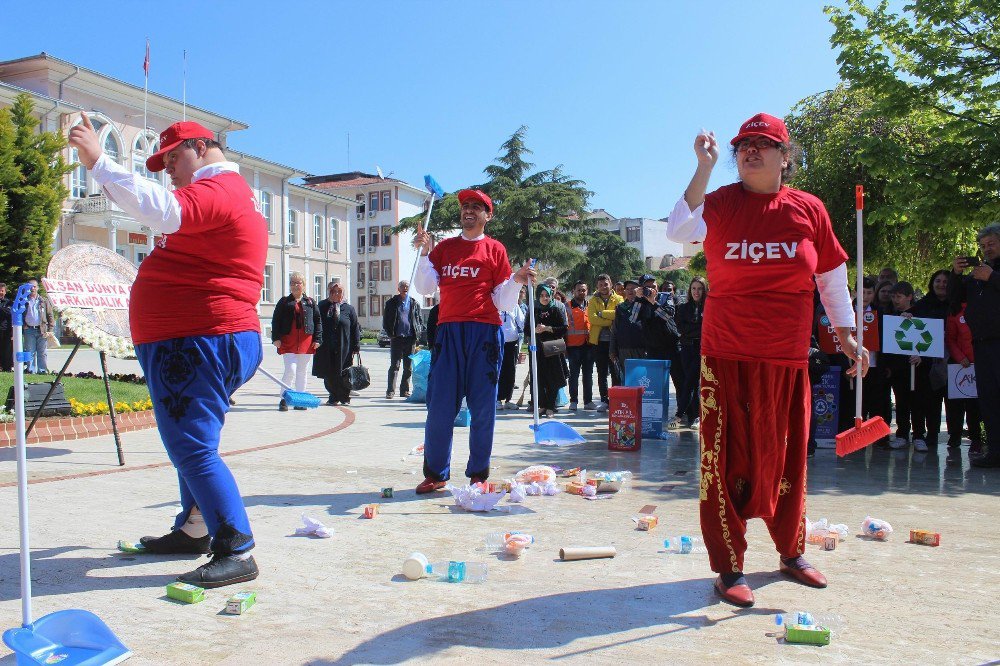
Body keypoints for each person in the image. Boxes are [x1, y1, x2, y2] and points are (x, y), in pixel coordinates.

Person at [667, 113, 865, 607]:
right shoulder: (719, 202)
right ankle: (729, 565)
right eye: (743, 146)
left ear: (785, 155)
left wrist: (847, 336)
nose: (751, 151)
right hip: (725, 354)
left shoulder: (808, 208)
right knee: (723, 461)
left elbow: (832, 279)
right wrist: (704, 167)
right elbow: (678, 231)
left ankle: (791, 552)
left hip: (785, 355)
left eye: (763, 143)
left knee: (786, 459)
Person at [69, 114, 266, 587]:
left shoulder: (219, 189)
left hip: (198, 336)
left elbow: (161, 208)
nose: (169, 171)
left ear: (199, 148)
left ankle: (236, 546)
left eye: (172, 158)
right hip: (197, 335)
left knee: (191, 444)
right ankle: (195, 528)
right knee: (191, 441)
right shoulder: (224, 195)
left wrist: (99, 162)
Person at [411, 188, 534, 493]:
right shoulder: (445, 249)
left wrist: (516, 280)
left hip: (484, 334)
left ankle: (478, 474)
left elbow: (503, 303)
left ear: (487, 215)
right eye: (465, 206)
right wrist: (424, 253)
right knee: (440, 407)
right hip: (448, 332)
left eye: (476, 207)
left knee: (483, 409)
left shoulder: (494, 250)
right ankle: (436, 473)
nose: (468, 210)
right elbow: (425, 287)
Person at [950, 224, 1000, 467]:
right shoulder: (977, 274)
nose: (986, 249)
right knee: (989, 400)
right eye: (982, 246)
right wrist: (957, 275)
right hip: (982, 344)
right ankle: (995, 452)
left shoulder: (990, 273)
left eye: (991, 244)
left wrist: (992, 277)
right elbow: (953, 302)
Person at [909, 269, 952, 450]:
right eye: (938, 281)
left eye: (945, 282)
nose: (941, 284)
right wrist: (907, 316)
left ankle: (954, 436)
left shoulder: (957, 303)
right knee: (930, 400)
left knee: (953, 402)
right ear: (932, 283)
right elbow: (911, 319)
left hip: (953, 359)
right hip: (926, 360)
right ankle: (930, 435)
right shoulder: (924, 304)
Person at [636, 273, 685, 427]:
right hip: (653, 348)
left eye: (653, 285)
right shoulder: (640, 300)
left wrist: (654, 302)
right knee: (654, 384)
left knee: (680, 381)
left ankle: (683, 412)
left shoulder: (665, 297)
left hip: (671, 345)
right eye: (647, 286)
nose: (651, 288)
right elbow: (632, 318)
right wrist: (638, 299)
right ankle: (655, 415)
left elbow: (668, 315)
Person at [271, 272, 322, 411]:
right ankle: (284, 399)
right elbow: (275, 321)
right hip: (288, 342)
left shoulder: (310, 302)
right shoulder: (284, 302)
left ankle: (300, 400)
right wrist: (275, 338)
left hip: (306, 342)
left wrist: (318, 339)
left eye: (298, 282)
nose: (295, 285)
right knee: (290, 370)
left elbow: (318, 321)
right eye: (292, 283)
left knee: (302, 371)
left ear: (303, 285)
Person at [885, 281, 923, 450]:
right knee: (901, 402)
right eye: (893, 297)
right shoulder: (889, 313)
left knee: (918, 402)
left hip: (917, 368)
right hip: (897, 368)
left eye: (899, 297)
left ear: (909, 297)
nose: (895, 300)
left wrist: (921, 356)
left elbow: (928, 338)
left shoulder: (921, 313)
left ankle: (919, 435)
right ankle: (901, 434)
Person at [944, 301, 983, 454]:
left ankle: (976, 438)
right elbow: (951, 338)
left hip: (981, 363)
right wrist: (960, 357)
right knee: (955, 404)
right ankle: (954, 435)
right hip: (960, 365)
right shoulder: (955, 311)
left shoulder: (985, 306)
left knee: (975, 406)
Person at [313, 281, 360, 406]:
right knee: (329, 373)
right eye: (334, 291)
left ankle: (345, 397)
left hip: (345, 346)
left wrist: (356, 346)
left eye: (339, 291)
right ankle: (333, 396)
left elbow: (355, 328)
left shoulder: (348, 308)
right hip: (327, 346)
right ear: (329, 292)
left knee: (344, 372)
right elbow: (316, 324)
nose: (337, 294)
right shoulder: (322, 306)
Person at [529, 284, 568, 417]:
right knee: (539, 377)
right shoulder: (534, 310)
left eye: (547, 295)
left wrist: (547, 328)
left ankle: (551, 406)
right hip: (537, 348)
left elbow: (564, 328)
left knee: (554, 377)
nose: (545, 298)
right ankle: (543, 405)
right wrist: (535, 330)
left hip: (552, 346)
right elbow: (526, 329)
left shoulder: (556, 309)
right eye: (541, 296)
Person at [587, 273, 623, 412]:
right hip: (598, 342)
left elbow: (618, 314)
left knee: (615, 372)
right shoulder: (593, 301)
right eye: (600, 285)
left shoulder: (619, 299)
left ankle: (615, 399)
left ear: (611, 284)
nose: (603, 287)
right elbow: (592, 319)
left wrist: (602, 314)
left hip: (615, 342)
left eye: (605, 284)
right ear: (597, 286)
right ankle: (604, 400)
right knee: (601, 373)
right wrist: (609, 319)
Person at [675, 276, 707, 427]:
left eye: (700, 288)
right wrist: (696, 329)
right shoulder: (683, 308)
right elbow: (681, 328)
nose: (696, 292)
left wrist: (694, 329)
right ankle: (694, 415)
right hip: (687, 348)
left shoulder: (709, 307)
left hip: (702, 348)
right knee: (691, 382)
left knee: (691, 381)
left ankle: (679, 413)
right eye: (694, 288)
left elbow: (706, 329)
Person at [383, 280, 424, 399]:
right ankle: (390, 391)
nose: (405, 288)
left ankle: (404, 390)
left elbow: (419, 320)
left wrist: (418, 333)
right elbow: (386, 320)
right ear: (398, 288)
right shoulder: (392, 303)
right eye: (403, 286)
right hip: (397, 338)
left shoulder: (414, 303)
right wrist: (390, 333)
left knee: (408, 366)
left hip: (410, 338)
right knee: (394, 365)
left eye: (407, 287)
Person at [565, 280, 595, 410]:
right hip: (573, 346)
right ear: (573, 291)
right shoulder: (567, 306)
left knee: (588, 375)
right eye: (579, 290)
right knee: (574, 375)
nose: (581, 292)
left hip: (588, 345)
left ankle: (588, 401)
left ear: (587, 291)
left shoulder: (591, 305)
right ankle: (574, 401)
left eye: (584, 290)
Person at [497, 287, 527, 410]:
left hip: (512, 342)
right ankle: (497, 399)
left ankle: (508, 399)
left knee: (511, 370)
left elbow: (522, 322)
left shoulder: (514, 305)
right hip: (497, 343)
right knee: (498, 371)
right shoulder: (495, 303)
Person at [609, 279, 646, 375]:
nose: (630, 291)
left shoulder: (644, 305)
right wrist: (612, 350)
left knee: (641, 377)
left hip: (641, 348)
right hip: (624, 349)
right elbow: (615, 330)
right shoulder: (620, 307)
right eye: (627, 289)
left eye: (633, 288)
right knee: (627, 379)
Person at [22, 280, 55, 374]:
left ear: (37, 288)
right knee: (29, 351)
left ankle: (42, 370)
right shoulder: (24, 300)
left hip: (42, 330)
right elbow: (19, 314)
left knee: (42, 352)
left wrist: (50, 330)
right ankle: (30, 370)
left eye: (34, 286)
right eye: (30, 287)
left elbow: (50, 316)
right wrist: (23, 325)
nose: (32, 288)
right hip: (29, 330)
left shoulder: (43, 300)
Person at [0, 283, 12, 372]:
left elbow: (9, 313)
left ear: (5, 292)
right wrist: (4, 310)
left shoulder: (9, 302)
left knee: (6, 349)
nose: (0, 292)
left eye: (2, 291)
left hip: (6, 330)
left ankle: (6, 367)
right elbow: (6, 311)